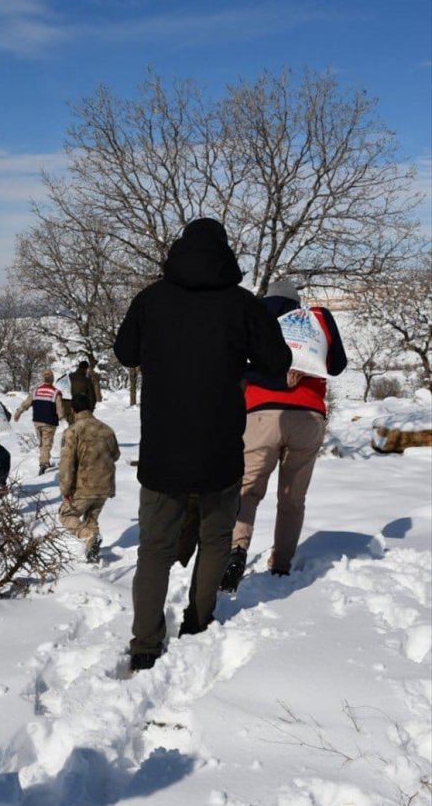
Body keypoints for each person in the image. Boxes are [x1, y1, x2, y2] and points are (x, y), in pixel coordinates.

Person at [114, 217, 292, 672]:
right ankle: (198, 621)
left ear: (179, 250)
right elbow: (277, 363)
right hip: (220, 445)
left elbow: (124, 353)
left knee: (154, 547)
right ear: (225, 252)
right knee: (215, 539)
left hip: (162, 447)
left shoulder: (151, 299)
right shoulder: (241, 304)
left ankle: (145, 642)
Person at [219, 279, 347, 592]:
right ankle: (281, 565)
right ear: (296, 302)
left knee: (247, 491)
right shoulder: (314, 321)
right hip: (308, 417)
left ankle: (236, 553)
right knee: (292, 499)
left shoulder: (251, 321)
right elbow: (338, 364)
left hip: (262, 415)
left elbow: (232, 365)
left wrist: (267, 377)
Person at [58, 392, 120, 562]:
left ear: (73, 410)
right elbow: (116, 455)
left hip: (84, 486)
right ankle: (92, 552)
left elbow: (66, 463)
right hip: (105, 485)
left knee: (66, 515)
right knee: (92, 518)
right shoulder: (107, 430)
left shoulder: (72, 431)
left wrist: (65, 488)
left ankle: (87, 536)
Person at [13, 368, 64, 475]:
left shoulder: (35, 391)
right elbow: (60, 409)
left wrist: (18, 413)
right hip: (49, 422)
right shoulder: (56, 393)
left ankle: (44, 461)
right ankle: (44, 464)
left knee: (41, 443)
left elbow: (26, 404)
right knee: (47, 444)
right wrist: (62, 419)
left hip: (37, 422)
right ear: (52, 379)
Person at [63, 360, 98, 425]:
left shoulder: (69, 377)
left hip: (69, 409)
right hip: (82, 410)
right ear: (86, 369)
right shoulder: (86, 380)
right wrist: (90, 411)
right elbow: (92, 398)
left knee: (72, 429)